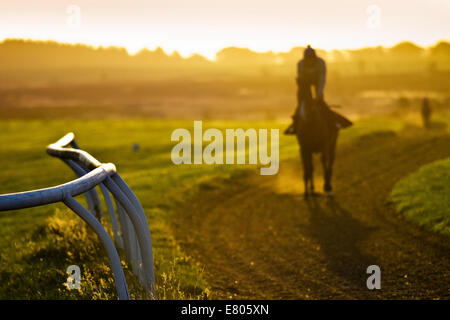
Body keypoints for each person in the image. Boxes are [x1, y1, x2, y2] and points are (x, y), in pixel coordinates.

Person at [284, 45, 351, 134]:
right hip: (305, 83)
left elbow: (321, 80)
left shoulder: (320, 63)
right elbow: (302, 82)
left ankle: (333, 122)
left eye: (311, 59)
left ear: (315, 58)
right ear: (305, 59)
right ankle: (295, 124)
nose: (310, 61)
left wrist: (318, 96)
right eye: (308, 59)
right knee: (302, 103)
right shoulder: (300, 64)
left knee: (320, 103)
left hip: (317, 82)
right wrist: (306, 97)